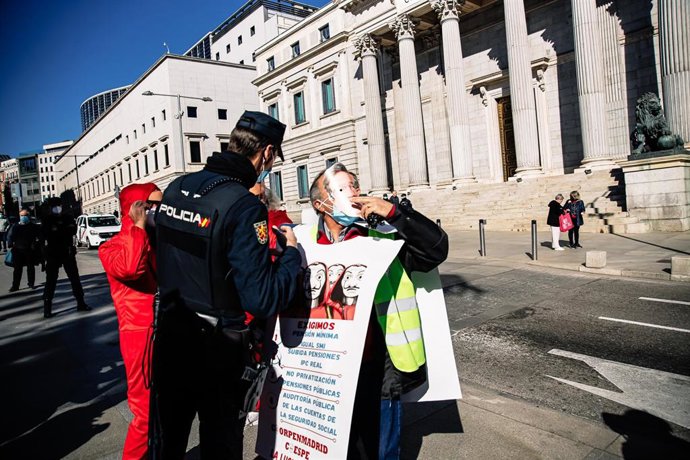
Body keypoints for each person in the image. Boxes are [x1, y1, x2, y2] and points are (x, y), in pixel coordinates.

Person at [152, 110, 302, 459]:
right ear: (266, 152)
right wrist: (291, 254)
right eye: (273, 156)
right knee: (220, 446)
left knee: (167, 443)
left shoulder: (175, 189)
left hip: (171, 339)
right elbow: (263, 297)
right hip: (216, 352)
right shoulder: (244, 206)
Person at [308, 163, 448, 459]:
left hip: (379, 367)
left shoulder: (384, 237)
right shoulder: (306, 245)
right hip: (328, 370)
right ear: (321, 204)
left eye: (354, 186)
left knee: (380, 450)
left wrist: (395, 214)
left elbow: (436, 248)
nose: (354, 194)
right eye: (342, 188)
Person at [99, 183, 162, 460]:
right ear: (137, 208)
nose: (159, 212)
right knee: (144, 411)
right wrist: (137, 228)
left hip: (167, 331)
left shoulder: (157, 240)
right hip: (140, 336)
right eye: (152, 206)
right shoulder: (111, 247)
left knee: (168, 407)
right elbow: (131, 268)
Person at [41, 197, 90, 318]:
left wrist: (60, 230)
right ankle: (47, 307)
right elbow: (45, 236)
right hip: (53, 253)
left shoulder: (67, 217)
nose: (57, 208)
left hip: (67, 251)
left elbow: (73, 230)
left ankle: (81, 302)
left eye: (59, 205)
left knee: (74, 278)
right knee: (51, 281)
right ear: (50, 208)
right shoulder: (47, 220)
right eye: (55, 206)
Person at [7, 209, 40, 292]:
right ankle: (15, 286)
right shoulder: (15, 226)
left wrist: (36, 244)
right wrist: (10, 244)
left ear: (28, 216)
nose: (23, 217)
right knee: (17, 269)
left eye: (25, 215)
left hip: (30, 250)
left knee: (30, 268)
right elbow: (9, 236)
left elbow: (40, 237)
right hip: (18, 250)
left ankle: (31, 283)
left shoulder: (33, 226)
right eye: (21, 215)